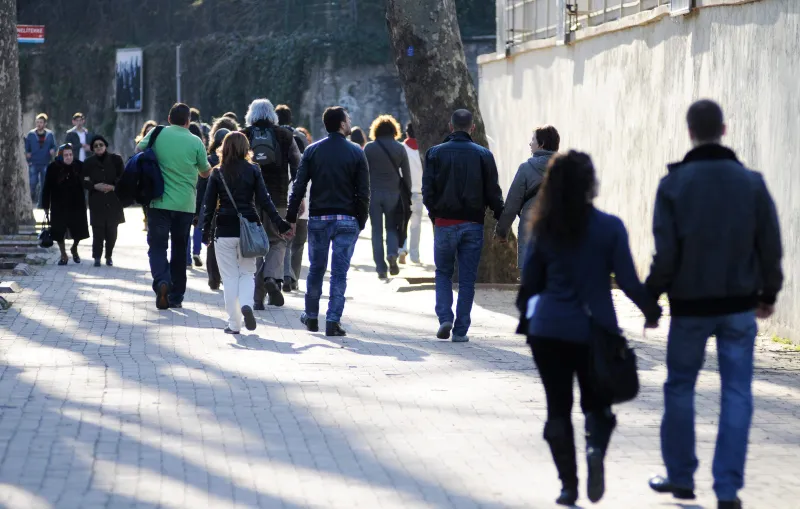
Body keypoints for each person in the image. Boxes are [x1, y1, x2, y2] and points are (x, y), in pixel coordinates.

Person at [645, 100, 783, 509]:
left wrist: (651, 296)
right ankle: (727, 489)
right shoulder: (753, 184)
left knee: (680, 386)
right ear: (724, 129)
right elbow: (771, 247)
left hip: (689, 307)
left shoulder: (673, 185)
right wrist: (768, 294)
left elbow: (665, 253)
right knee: (737, 391)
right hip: (740, 305)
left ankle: (681, 477)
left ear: (690, 132)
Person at [516, 150, 661, 506]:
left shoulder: (543, 227)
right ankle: (595, 446)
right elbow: (627, 281)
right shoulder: (610, 227)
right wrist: (651, 309)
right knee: (597, 405)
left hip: (548, 330)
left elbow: (530, 284)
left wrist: (528, 314)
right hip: (594, 331)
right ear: (590, 184)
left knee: (557, 408)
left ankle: (569, 487)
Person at [286, 106, 370, 337]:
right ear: (342, 124)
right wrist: (360, 220)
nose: (350, 121)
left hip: (319, 218)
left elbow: (299, 187)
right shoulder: (356, 152)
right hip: (346, 219)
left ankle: (311, 316)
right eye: (348, 119)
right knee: (339, 273)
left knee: (316, 269)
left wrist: (291, 218)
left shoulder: (312, 151)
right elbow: (363, 192)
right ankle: (333, 321)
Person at [423, 109, 504, 343]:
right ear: (473, 128)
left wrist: (435, 214)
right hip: (473, 223)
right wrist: (502, 218)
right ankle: (460, 330)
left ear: (450, 127)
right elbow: (493, 193)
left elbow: (428, 190)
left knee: (443, 273)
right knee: (467, 279)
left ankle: (445, 317)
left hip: (445, 222)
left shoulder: (434, 153)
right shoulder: (483, 155)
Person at [202, 132, 292, 334]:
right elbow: (265, 200)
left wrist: (205, 232)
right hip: (249, 229)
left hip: (224, 229)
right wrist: (280, 223)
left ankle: (234, 324)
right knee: (247, 273)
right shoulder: (253, 170)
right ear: (246, 148)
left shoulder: (217, 173)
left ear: (224, 148)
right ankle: (247, 305)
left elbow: (208, 206)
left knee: (229, 277)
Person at [137, 103, 211, 310]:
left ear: (169, 119)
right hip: (185, 205)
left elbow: (138, 151)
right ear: (188, 121)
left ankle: (162, 281)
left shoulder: (157, 133)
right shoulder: (195, 141)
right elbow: (205, 172)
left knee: (158, 246)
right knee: (179, 250)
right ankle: (176, 296)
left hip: (158, 201)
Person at [240, 99, 301, 309]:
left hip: (250, 200)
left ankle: (257, 300)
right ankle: (272, 278)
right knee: (278, 241)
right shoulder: (285, 135)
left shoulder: (244, 135)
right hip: (278, 198)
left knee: (254, 245)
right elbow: (297, 165)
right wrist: (298, 197)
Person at [495, 125, 560, 269]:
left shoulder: (526, 169)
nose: (530, 143)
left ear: (541, 144)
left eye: (533, 140)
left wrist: (501, 231)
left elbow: (512, 204)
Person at [364, 115, 411, 279]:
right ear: (394, 130)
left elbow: (363, 173)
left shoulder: (369, 148)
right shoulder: (399, 148)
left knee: (376, 231)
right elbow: (406, 175)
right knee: (392, 227)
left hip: (373, 194)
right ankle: (392, 254)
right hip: (394, 193)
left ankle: (381, 268)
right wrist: (408, 195)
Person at [274, 105, 311, 292]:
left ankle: (283, 276)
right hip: (304, 209)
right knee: (297, 246)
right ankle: (293, 278)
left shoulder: (276, 154)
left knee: (281, 243)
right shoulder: (306, 158)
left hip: (281, 203)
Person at [42, 144, 90, 265]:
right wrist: (45, 205)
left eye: (70, 155)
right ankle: (63, 254)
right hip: (59, 204)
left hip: (77, 203)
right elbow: (47, 187)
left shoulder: (79, 165)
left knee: (78, 229)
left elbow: (87, 181)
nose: (68, 157)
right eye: (65, 155)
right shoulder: (53, 167)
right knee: (58, 231)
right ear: (60, 156)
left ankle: (74, 248)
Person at [83, 135, 125, 267]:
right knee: (98, 231)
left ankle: (109, 255)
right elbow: (83, 180)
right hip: (97, 199)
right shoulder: (89, 162)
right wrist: (94, 186)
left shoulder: (116, 159)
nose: (99, 147)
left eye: (101, 144)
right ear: (92, 149)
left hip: (113, 199)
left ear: (105, 145)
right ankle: (97, 256)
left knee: (112, 231)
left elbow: (123, 177)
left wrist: (113, 186)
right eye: (95, 146)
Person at [198, 127, 230, 290]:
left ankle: (213, 277)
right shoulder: (235, 164)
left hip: (211, 206)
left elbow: (201, 184)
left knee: (212, 243)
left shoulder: (209, 160)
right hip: (229, 209)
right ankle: (226, 277)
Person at [398, 122, 424, 265]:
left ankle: (402, 248)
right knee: (416, 225)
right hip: (419, 191)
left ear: (406, 133)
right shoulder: (423, 149)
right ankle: (415, 255)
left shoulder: (402, 148)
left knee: (402, 222)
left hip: (404, 190)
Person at [24, 113, 57, 208]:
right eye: (37, 122)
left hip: (45, 163)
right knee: (32, 183)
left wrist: (53, 150)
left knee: (44, 184)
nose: (39, 124)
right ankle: (29, 203)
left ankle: (41, 205)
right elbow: (26, 147)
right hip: (33, 162)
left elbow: (54, 146)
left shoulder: (50, 134)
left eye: (41, 122)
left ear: (45, 123)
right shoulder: (31, 134)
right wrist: (27, 153)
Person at [187, 122, 207, 267]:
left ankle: (186, 257)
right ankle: (197, 252)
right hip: (200, 193)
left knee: (185, 227)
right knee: (198, 225)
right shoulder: (200, 148)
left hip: (186, 192)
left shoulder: (184, 148)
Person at [135, 120, 158, 232]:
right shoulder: (140, 145)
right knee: (145, 200)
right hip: (144, 176)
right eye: (148, 131)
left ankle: (152, 220)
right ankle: (146, 219)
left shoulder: (160, 144)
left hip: (156, 175)